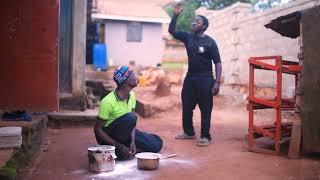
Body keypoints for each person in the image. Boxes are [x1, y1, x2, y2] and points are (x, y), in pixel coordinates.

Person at [169, 3, 222, 146]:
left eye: (197, 21)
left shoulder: (210, 42)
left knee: (205, 107)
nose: (194, 22)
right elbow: (172, 30)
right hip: (191, 77)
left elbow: (217, 62)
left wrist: (217, 82)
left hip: (205, 78)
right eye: (194, 20)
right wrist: (176, 14)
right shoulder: (188, 37)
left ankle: (205, 136)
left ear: (204, 26)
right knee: (186, 104)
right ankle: (189, 132)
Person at [94, 66, 163, 160]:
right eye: (133, 75)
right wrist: (117, 145)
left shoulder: (132, 96)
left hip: (126, 133)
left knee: (157, 143)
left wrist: (133, 142)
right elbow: (98, 130)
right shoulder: (108, 101)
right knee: (131, 117)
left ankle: (128, 150)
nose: (136, 77)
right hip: (110, 136)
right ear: (126, 80)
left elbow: (132, 124)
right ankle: (119, 149)